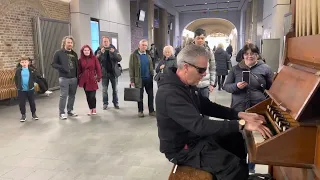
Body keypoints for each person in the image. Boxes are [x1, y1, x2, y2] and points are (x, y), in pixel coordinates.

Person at [156, 44, 272, 180]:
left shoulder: (186, 85)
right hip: (182, 149)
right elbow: (200, 125)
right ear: (186, 67)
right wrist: (241, 123)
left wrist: (239, 114)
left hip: (194, 138)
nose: (205, 74)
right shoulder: (170, 93)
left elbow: (207, 106)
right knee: (234, 166)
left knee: (237, 139)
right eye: (201, 70)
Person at [224, 43, 274, 173]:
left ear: (257, 55)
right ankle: (240, 167)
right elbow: (226, 86)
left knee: (254, 141)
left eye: (253, 53)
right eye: (246, 54)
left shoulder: (265, 69)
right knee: (239, 137)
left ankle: (251, 168)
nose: (249, 56)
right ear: (243, 55)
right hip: (239, 109)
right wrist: (236, 86)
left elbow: (272, 89)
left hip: (257, 109)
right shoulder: (236, 69)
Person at [51, 36, 78, 120]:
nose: (70, 44)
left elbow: (76, 65)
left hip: (74, 78)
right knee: (63, 96)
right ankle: (62, 113)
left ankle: (70, 111)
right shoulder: (58, 53)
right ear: (64, 43)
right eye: (68, 42)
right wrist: (62, 67)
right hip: (64, 78)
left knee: (72, 96)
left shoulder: (74, 54)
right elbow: (53, 64)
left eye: (71, 43)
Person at [129, 39, 156, 118]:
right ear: (139, 45)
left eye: (145, 45)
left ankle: (151, 110)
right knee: (139, 96)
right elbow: (131, 68)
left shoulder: (148, 54)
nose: (144, 47)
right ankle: (140, 111)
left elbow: (151, 66)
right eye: (142, 45)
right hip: (139, 79)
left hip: (148, 79)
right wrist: (132, 80)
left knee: (151, 95)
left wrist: (152, 74)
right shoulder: (134, 55)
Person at [95, 36, 122, 110]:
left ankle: (115, 102)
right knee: (104, 90)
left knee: (115, 89)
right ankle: (105, 103)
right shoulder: (100, 50)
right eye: (104, 41)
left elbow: (119, 59)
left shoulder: (114, 49)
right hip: (104, 74)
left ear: (109, 42)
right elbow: (96, 60)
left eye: (107, 41)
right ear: (102, 42)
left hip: (113, 73)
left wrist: (114, 53)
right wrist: (100, 53)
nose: (105, 43)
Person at [78, 45, 102, 115]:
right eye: (85, 50)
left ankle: (94, 108)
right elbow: (79, 70)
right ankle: (90, 109)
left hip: (92, 78)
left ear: (90, 51)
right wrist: (79, 78)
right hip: (84, 79)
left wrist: (98, 77)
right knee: (88, 96)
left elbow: (98, 68)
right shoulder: (80, 60)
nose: (86, 51)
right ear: (83, 52)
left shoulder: (94, 58)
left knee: (92, 96)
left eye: (88, 50)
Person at [14, 56, 39, 122]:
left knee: (32, 102)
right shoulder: (18, 70)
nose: (24, 63)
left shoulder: (31, 70)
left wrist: (33, 83)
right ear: (20, 63)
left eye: (25, 62)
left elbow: (35, 77)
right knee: (22, 103)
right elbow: (16, 79)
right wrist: (18, 86)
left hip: (30, 89)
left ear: (28, 62)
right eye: (22, 62)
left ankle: (34, 114)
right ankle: (23, 115)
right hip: (21, 90)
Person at [193, 28, 216, 98]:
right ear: (194, 38)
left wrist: (212, 84)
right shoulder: (188, 51)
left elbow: (212, 68)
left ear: (204, 39)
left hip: (205, 86)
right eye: (198, 38)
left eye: (202, 38)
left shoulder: (209, 51)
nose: (200, 40)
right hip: (192, 85)